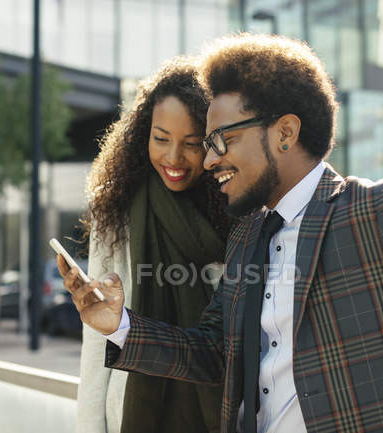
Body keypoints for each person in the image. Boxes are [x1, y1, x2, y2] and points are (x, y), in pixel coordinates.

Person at [62, 34, 383, 433]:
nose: (208, 161)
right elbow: (216, 354)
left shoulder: (374, 210)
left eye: (219, 141)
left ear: (285, 133)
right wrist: (118, 325)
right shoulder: (247, 236)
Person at [64, 56, 232, 433]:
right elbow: (98, 339)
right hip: (130, 407)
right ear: (144, 134)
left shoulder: (234, 206)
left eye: (191, 144)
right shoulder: (116, 205)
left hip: (217, 408)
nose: (173, 158)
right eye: (161, 139)